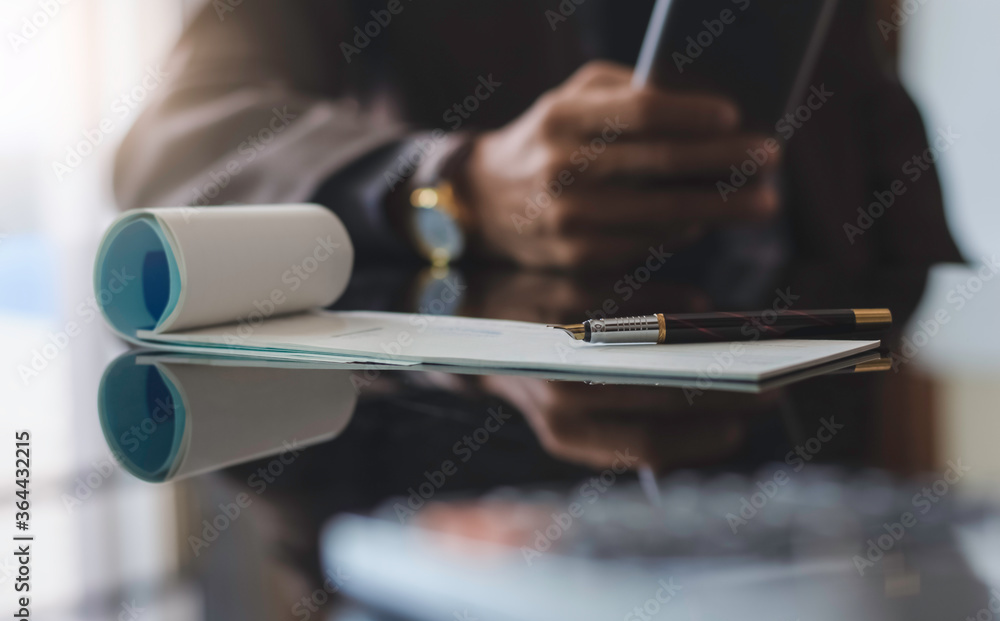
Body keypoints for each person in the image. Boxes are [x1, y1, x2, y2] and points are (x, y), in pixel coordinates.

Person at [115, 0, 961, 271]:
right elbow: (171, 143)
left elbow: (878, 145)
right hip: (455, 484)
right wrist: (457, 183)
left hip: (805, 459)